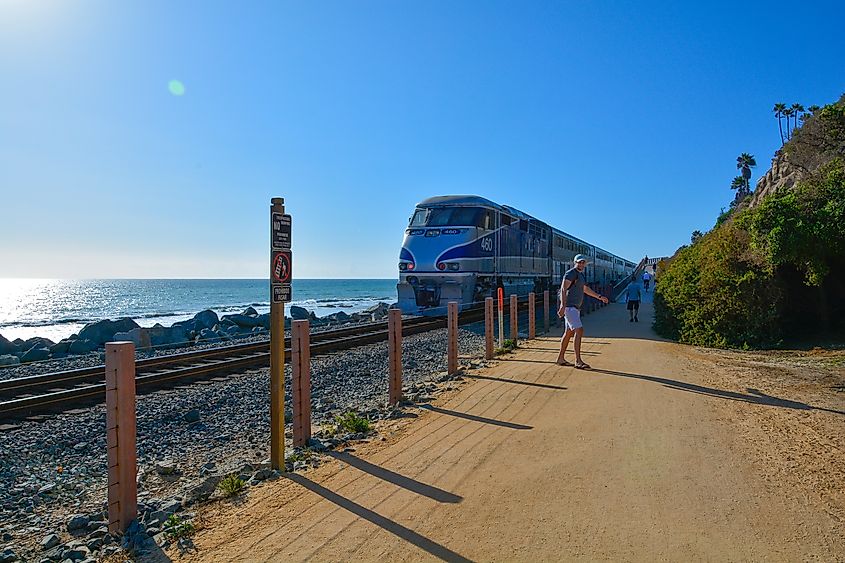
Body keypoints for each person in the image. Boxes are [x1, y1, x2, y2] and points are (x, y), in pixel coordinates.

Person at [556, 254, 609, 369]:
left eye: (582, 262)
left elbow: (585, 289)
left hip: (574, 308)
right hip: (570, 307)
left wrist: (599, 297)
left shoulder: (580, 275)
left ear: (585, 263)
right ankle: (578, 361)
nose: (581, 264)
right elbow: (563, 288)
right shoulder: (571, 273)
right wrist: (563, 306)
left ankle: (560, 358)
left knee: (568, 333)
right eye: (579, 262)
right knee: (579, 330)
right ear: (575, 262)